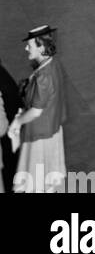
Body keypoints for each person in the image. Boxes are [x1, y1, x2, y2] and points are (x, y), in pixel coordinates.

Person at [8, 26, 67, 193]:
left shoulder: (43, 77)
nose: (27, 48)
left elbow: (36, 111)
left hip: (39, 135)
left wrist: (17, 122)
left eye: (30, 45)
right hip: (52, 128)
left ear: (41, 47)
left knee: (34, 180)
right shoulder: (52, 65)